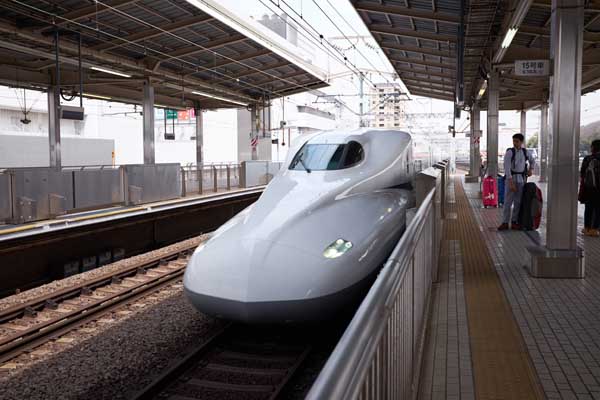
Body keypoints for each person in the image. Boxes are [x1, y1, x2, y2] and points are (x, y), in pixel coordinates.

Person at [498, 133, 536, 231]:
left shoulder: (525, 152)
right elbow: (506, 167)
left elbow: (532, 160)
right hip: (511, 178)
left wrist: (531, 169)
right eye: (514, 141)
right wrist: (510, 182)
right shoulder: (510, 152)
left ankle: (514, 221)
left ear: (521, 142)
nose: (515, 143)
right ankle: (505, 222)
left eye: (517, 141)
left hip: (521, 179)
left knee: (518, 201)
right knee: (508, 201)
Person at [579, 140, 600, 237]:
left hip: (589, 188)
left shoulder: (587, 158)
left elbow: (582, 173)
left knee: (588, 208)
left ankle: (586, 228)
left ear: (592, 147)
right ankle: (595, 229)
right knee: (598, 208)